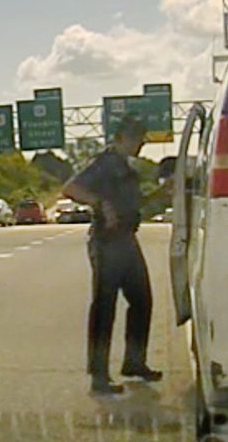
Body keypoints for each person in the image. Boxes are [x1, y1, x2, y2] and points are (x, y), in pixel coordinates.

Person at [63, 116, 163, 395]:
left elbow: (132, 205)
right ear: (122, 138)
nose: (141, 144)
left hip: (127, 240)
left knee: (142, 300)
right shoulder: (105, 163)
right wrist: (100, 203)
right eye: (137, 139)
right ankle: (99, 375)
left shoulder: (126, 167)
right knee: (104, 307)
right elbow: (71, 188)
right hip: (107, 242)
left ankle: (134, 362)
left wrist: (160, 194)